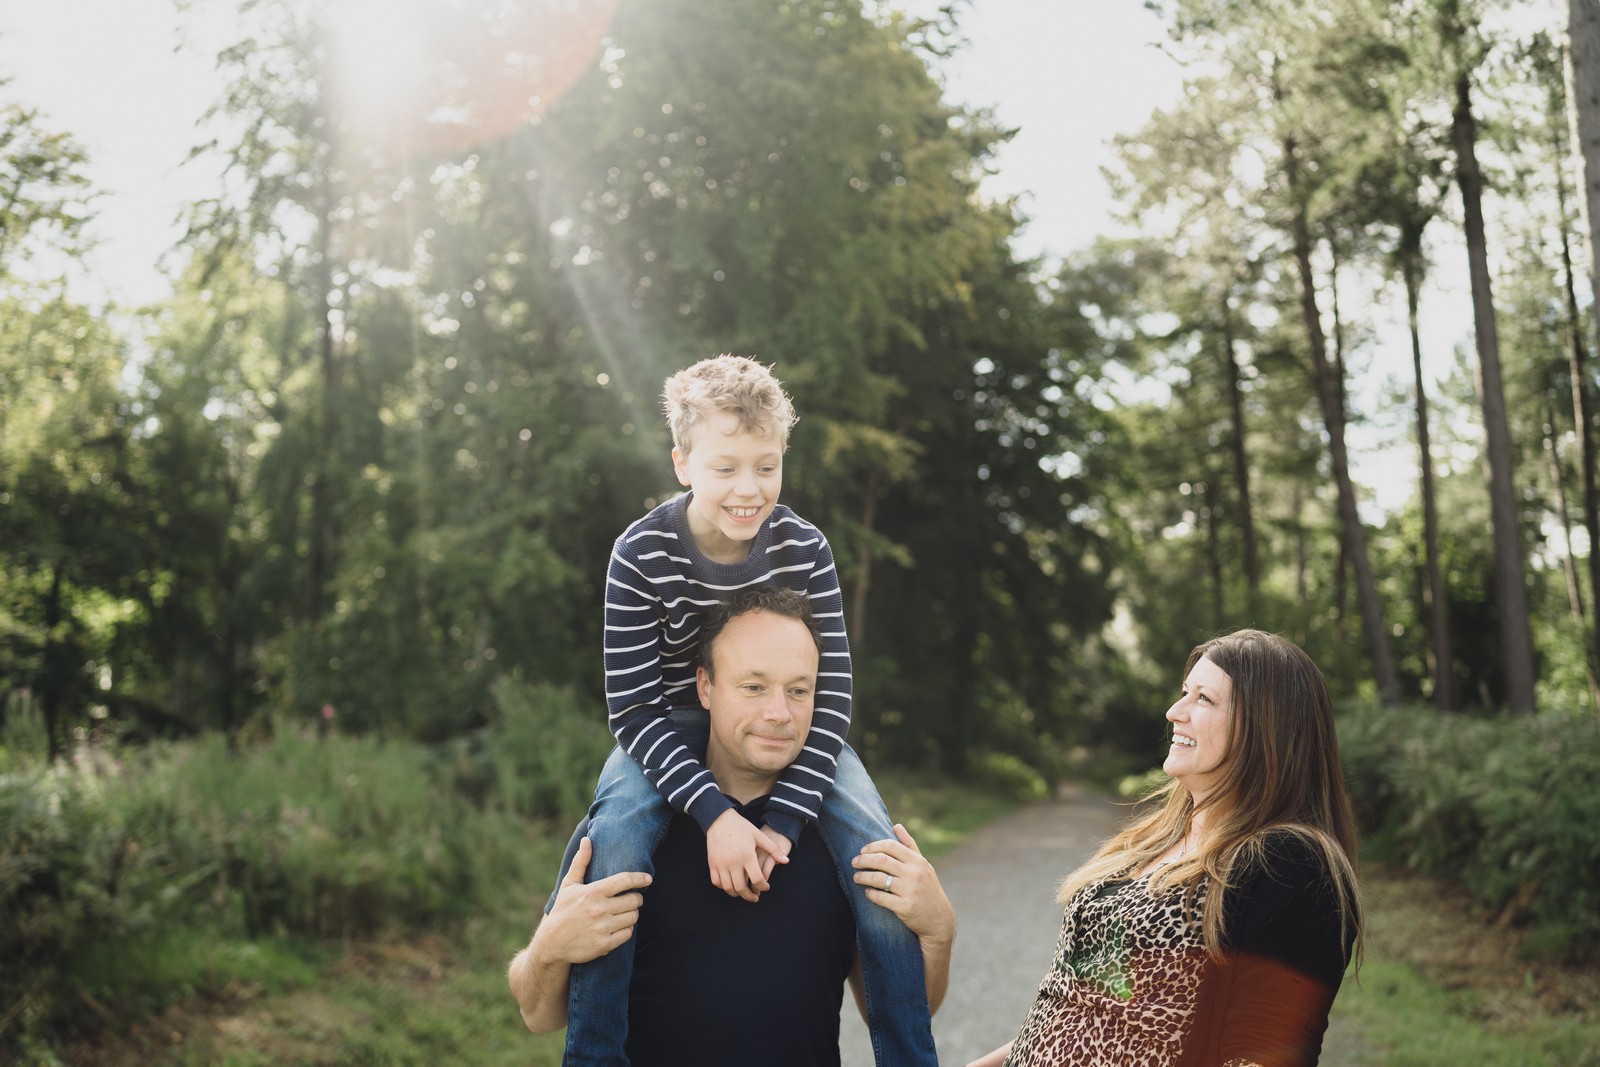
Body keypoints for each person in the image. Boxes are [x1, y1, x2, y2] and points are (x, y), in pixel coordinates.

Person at [566, 355, 936, 1066]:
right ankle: (594, 1053)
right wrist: (717, 815)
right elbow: (634, 709)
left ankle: (910, 1055)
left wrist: (785, 821)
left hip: (788, 719)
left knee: (878, 856)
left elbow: (828, 698)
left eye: (766, 467)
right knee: (613, 837)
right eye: (726, 467)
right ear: (682, 462)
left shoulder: (804, 546)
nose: (748, 488)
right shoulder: (639, 554)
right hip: (667, 724)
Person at [508, 586, 956, 1066]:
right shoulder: (631, 828)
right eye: (753, 687)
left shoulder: (845, 834)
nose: (778, 713)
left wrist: (938, 932)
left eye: (798, 690)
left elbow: (893, 1008)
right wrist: (550, 948)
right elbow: (538, 1013)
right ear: (705, 687)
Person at [969, 629, 1363, 1067]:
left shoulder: (1290, 864)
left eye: (1204, 700)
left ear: (1265, 727)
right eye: (1183, 693)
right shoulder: (1154, 840)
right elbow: (1079, 1007)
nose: (1175, 712)